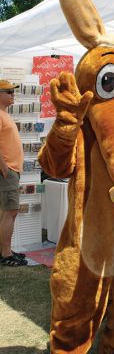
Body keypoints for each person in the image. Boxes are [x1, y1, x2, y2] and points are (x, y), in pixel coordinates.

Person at [0, 80, 27, 266]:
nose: (12, 94)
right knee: (11, 211)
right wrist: (4, 168)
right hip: (7, 170)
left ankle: (4, 250)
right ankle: (6, 254)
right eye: (8, 91)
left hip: (11, 170)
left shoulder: (4, 115)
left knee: (6, 212)